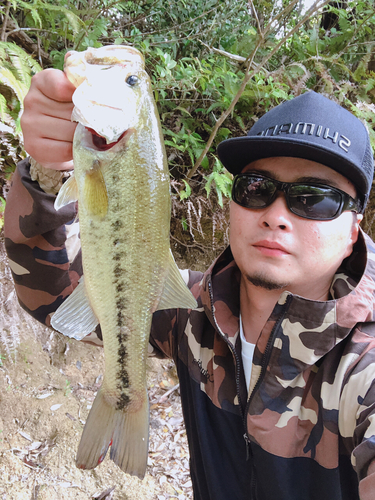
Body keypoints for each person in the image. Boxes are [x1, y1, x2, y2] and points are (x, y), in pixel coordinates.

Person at [4, 68, 375, 500]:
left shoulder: (362, 368)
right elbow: (53, 292)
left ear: (353, 229)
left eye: (315, 198)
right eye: (257, 188)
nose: (276, 214)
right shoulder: (195, 312)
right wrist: (48, 174)